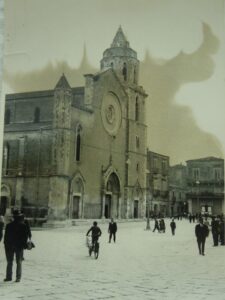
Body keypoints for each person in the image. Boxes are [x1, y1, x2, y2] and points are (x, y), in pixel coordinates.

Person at [3, 210, 30, 282]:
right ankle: (18, 278)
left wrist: (6, 247)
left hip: (10, 246)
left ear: (14, 217)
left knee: (9, 262)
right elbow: (25, 237)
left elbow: (6, 238)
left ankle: (8, 277)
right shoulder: (23, 226)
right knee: (19, 262)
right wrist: (24, 246)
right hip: (19, 246)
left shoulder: (9, 225)